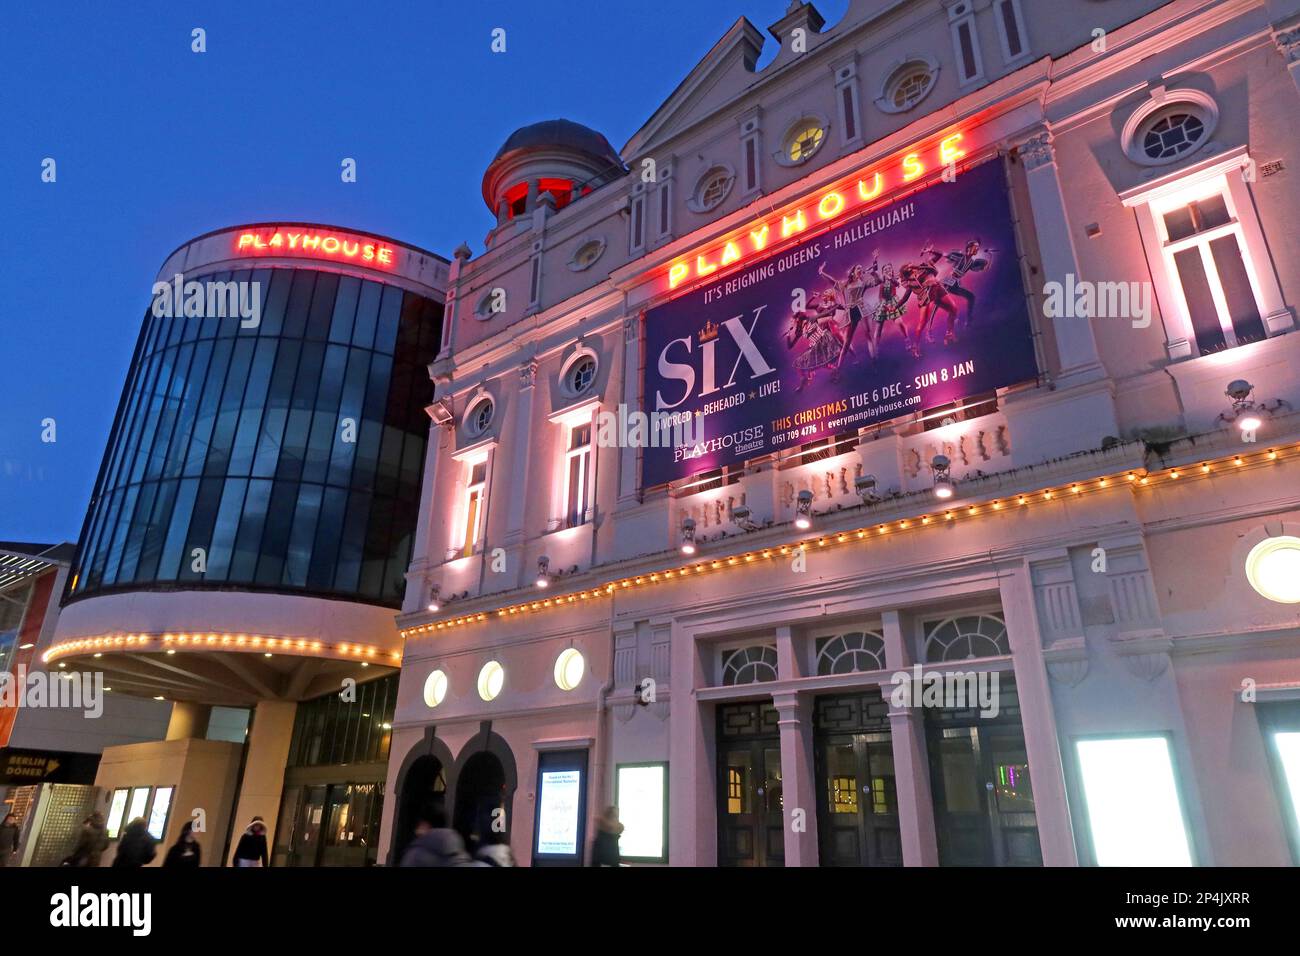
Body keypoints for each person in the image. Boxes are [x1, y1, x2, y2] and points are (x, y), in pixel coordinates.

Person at [399, 805, 472, 867]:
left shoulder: (416, 855)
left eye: (420, 825)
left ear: (426, 825)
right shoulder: (462, 855)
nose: (417, 831)